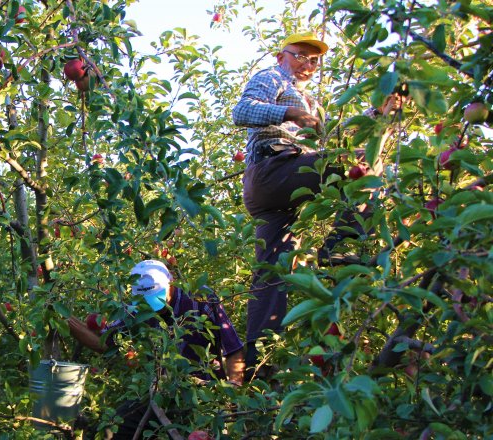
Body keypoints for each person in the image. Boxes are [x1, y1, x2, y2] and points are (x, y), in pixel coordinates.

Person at [232, 31, 405, 374]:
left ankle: (260, 363)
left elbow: (338, 141)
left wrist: (378, 113)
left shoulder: (311, 103)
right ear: (281, 55)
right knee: (366, 167)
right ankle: (340, 246)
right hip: (273, 169)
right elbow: (242, 110)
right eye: (299, 55)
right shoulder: (273, 77)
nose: (307, 64)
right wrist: (290, 113)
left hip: (276, 196)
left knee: (274, 272)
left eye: (314, 60)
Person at [67, 260, 244, 439]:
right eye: (146, 300)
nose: (153, 304)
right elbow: (104, 342)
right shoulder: (138, 310)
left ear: (171, 281)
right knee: (113, 426)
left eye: (158, 296)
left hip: (204, 396)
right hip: (161, 394)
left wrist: (233, 393)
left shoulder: (200, 298)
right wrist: (65, 320)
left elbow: (233, 348)